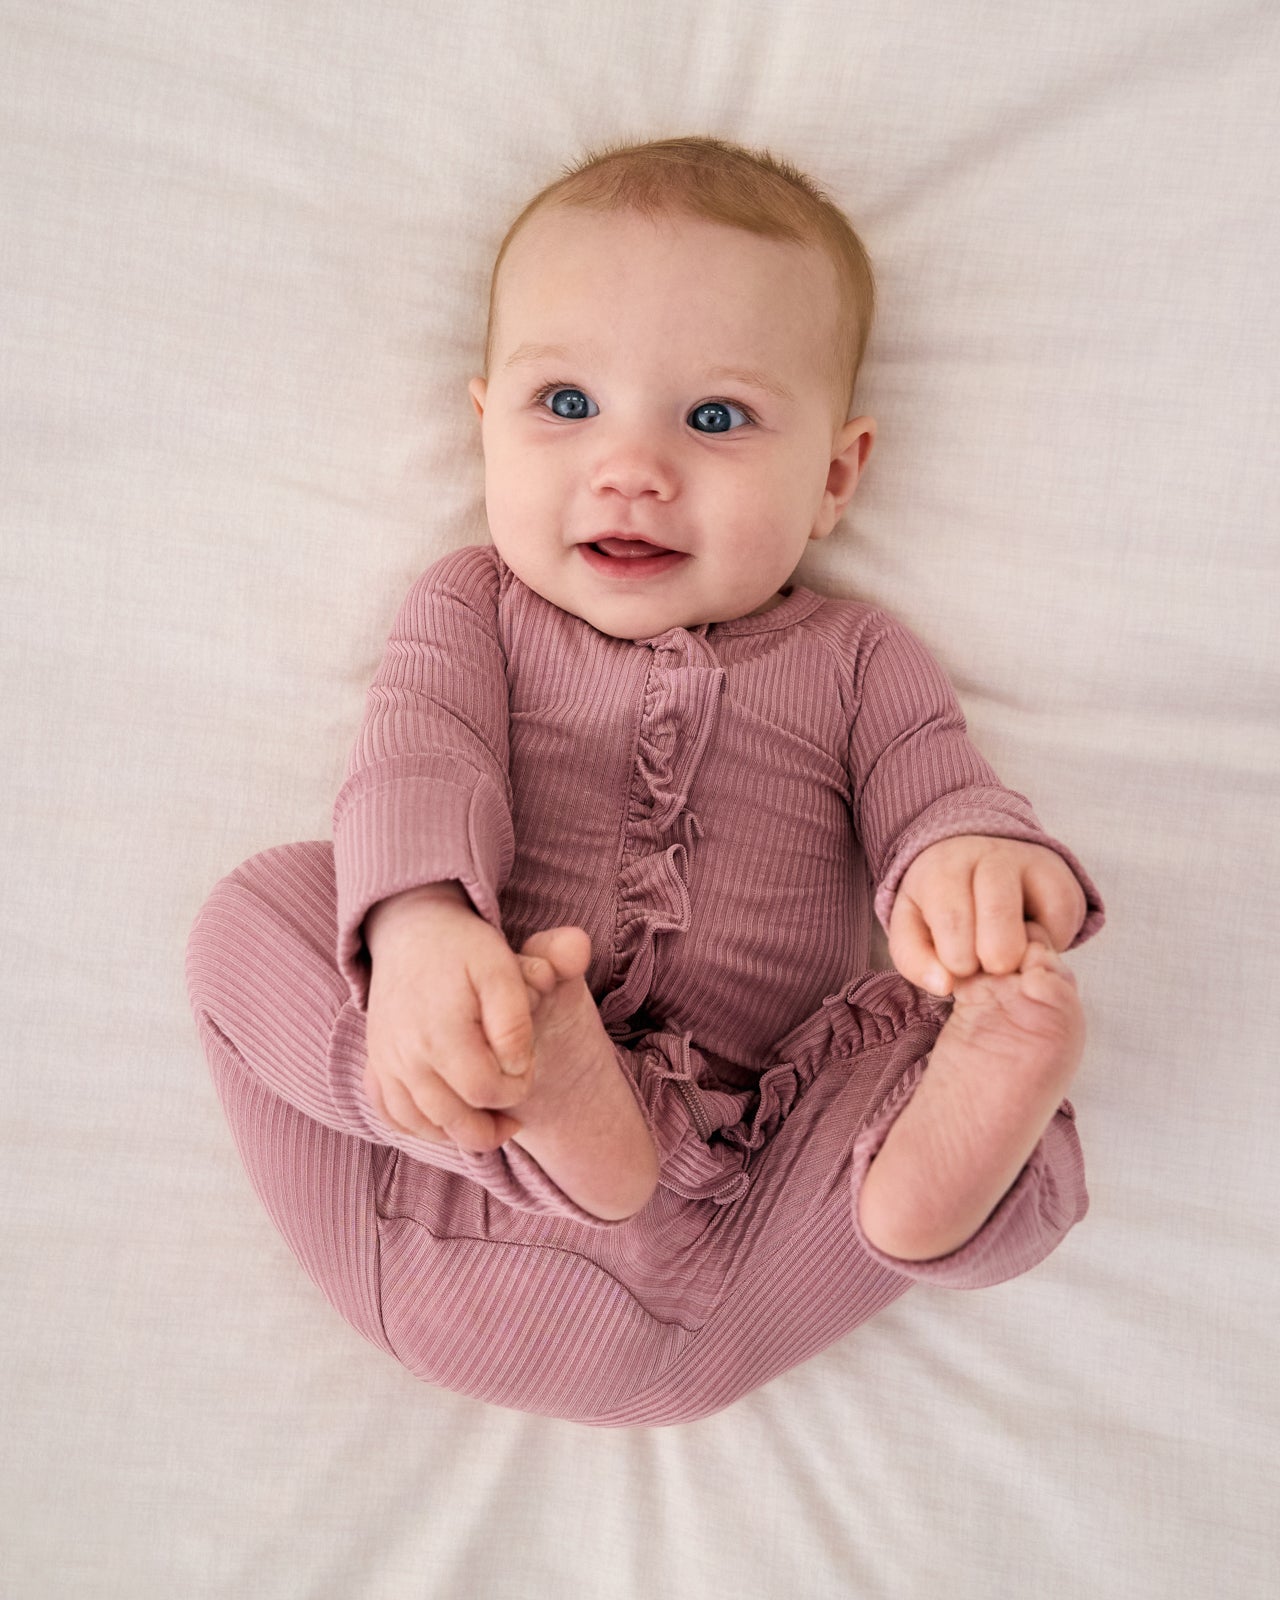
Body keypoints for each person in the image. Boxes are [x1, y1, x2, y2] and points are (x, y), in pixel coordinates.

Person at [185, 135, 1104, 1427]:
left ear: (837, 476)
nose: (631, 468)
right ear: (485, 425)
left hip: (736, 1235)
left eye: (715, 419)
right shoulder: (473, 608)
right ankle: (500, 1085)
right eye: (566, 406)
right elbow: (418, 758)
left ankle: (914, 1188)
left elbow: (933, 788)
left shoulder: (860, 658)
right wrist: (423, 930)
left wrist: (970, 874)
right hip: (422, 1190)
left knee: (960, 1014)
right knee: (257, 916)